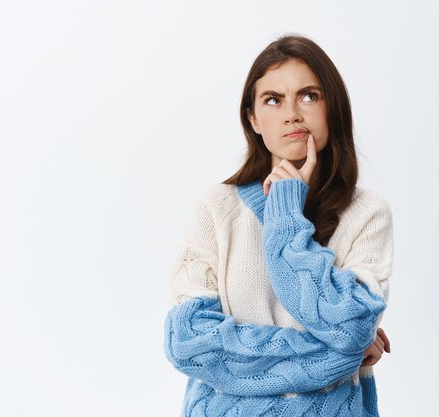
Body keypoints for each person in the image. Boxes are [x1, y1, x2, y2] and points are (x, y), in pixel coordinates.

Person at [163, 34, 394, 417]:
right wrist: (341, 353)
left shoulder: (367, 213)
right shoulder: (218, 209)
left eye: (308, 96)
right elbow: (189, 342)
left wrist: (286, 213)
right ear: (252, 118)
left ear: (331, 107)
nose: (292, 114)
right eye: (273, 100)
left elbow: (349, 328)